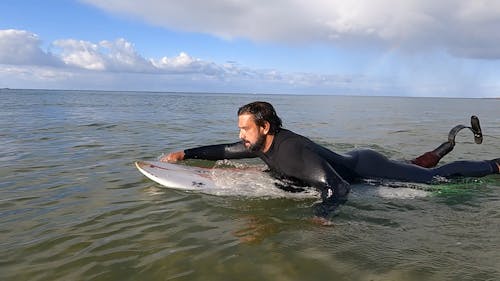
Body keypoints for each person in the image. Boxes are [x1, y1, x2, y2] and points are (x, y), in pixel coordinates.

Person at [161, 101, 500, 221]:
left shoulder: (292, 150)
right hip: (359, 159)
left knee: (433, 179)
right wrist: (186, 154)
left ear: (264, 126)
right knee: (410, 164)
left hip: (367, 169)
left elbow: (337, 187)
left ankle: (494, 164)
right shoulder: (260, 143)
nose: (242, 136)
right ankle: (445, 145)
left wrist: (322, 215)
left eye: (246, 129)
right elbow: (225, 150)